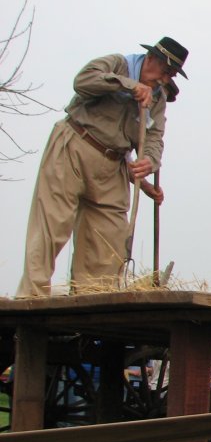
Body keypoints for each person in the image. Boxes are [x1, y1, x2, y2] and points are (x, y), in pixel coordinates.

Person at [17, 37, 188, 297]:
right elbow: (83, 81)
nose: (165, 79)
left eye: (171, 75)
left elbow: (154, 138)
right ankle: (31, 298)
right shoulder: (117, 64)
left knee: (107, 242)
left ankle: (90, 309)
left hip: (114, 166)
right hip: (75, 146)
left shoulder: (159, 97)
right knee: (52, 226)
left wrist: (149, 163)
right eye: (165, 72)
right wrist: (129, 85)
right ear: (151, 58)